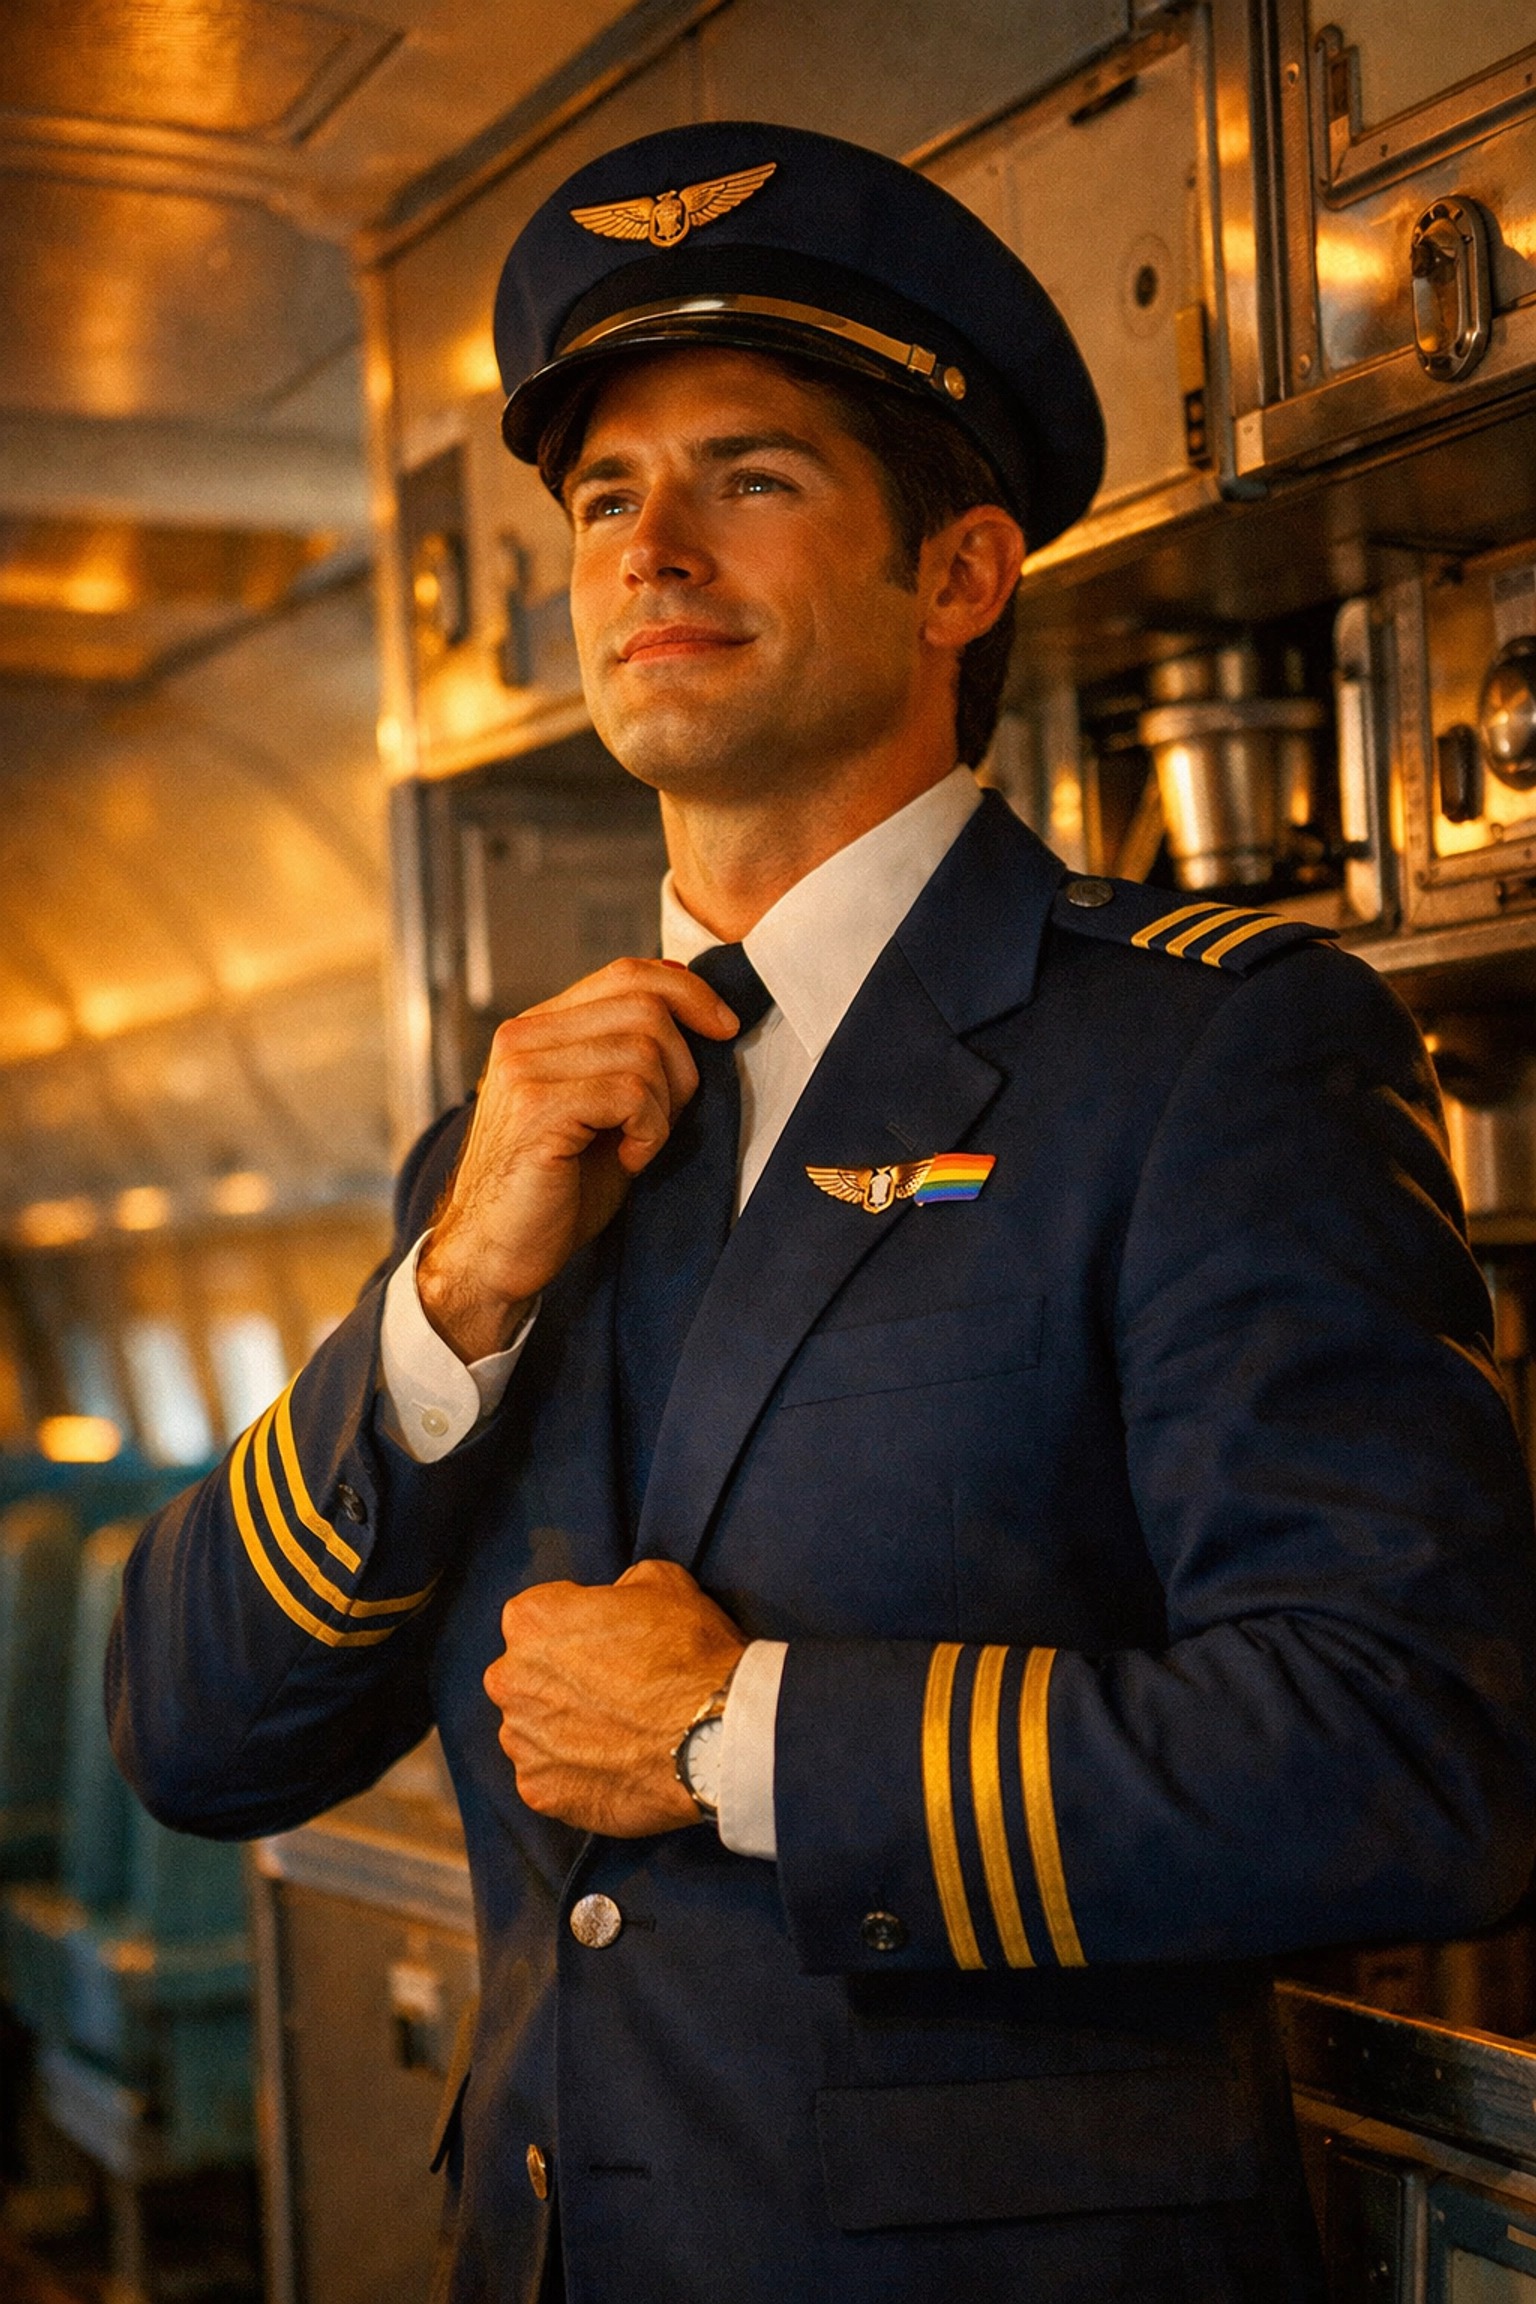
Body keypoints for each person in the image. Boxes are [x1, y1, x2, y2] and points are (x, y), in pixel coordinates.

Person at [109, 120, 1536, 2304]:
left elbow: (1413, 1747)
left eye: (749, 478)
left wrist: (732, 1736)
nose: (647, 549)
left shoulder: (1205, 1057)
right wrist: (447, 1301)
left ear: (959, 577)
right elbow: (198, 1740)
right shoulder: (501, 1150)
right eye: (603, 498)